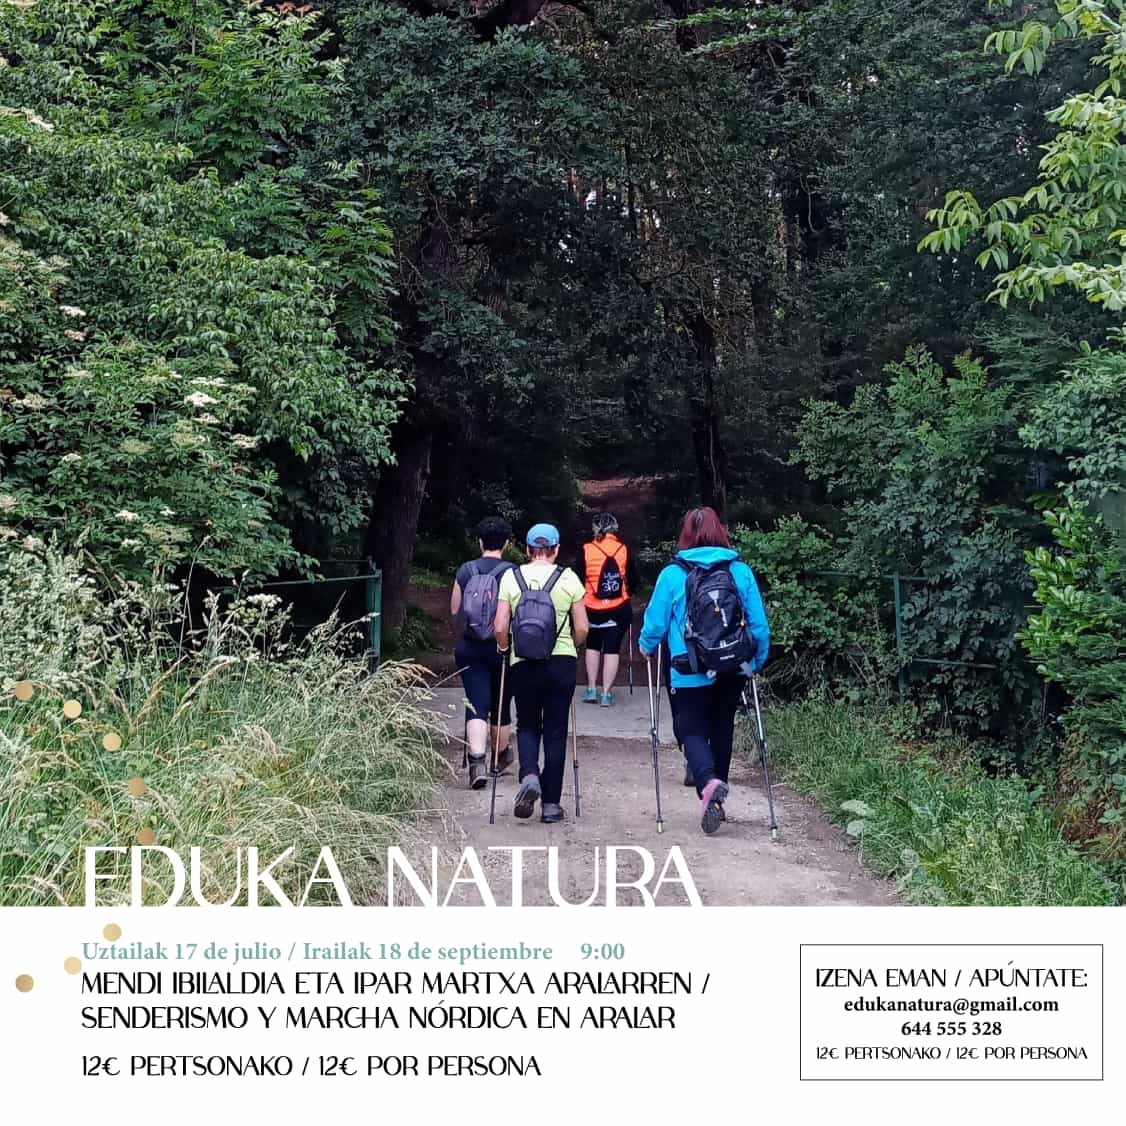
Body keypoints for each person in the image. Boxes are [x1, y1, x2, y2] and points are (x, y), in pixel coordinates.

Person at [638, 506, 770, 834]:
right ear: (721, 532)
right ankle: (716, 798)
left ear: (686, 535)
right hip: (733, 663)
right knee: (722, 726)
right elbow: (759, 625)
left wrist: (646, 645)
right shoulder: (740, 572)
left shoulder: (673, 574)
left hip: (690, 665)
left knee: (691, 730)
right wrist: (755, 661)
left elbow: (655, 623)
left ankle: (709, 784)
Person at [494, 522, 588, 823]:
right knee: (556, 731)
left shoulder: (512, 577)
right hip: (561, 662)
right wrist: (570, 646)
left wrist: (505, 648)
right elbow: (582, 627)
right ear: (556, 549)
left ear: (527, 549)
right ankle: (551, 805)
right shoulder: (568, 578)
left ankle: (530, 775)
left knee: (528, 724)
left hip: (523, 662)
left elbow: (499, 626)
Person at [450, 516, 515, 789]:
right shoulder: (513, 572)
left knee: (476, 703)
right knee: (501, 704)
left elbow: (455, 609)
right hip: (503, 648)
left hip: (470, 647)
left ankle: (476, 762)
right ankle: (499, 760)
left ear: (480, 542)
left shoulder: (466, 570)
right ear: (506, 544)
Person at [576, 511, 639, 707]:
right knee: (612, 648)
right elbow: (633, 579)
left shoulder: (586, 549)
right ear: (614, 528)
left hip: (590, 608)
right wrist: (628, 592)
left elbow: (577, 578)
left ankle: (591, 689)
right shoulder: (623, 549)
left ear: (595, 529)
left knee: (592, 645)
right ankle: (606, 694)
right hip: (618, 608)